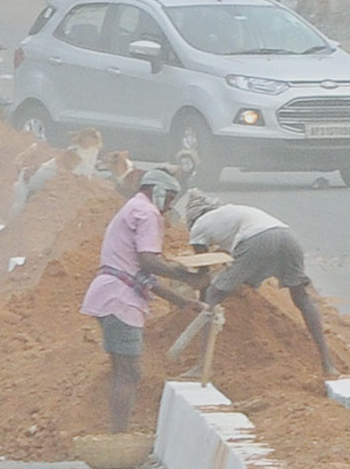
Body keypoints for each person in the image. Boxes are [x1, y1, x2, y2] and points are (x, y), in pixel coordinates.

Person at [80, 170, 207, 433]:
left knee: (122, 370)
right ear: (155, 190)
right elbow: (148, 262)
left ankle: (119, 433)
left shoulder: (132, 207)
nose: (170, 205)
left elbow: (139, 274)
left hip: (110, 295)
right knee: (128, 373)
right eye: (170, 198)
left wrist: (182, 301)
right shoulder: (147, 213)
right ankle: (120, 437)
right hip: (120, 301)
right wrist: (185, 274)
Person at [186, 194, 338, 377]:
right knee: (302, 298)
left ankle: (202, 366)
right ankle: (328, 365)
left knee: (213, 294)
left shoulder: (198, 227)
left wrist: (204, 302)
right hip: (288, 236)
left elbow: (203, 269)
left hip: (257, 241)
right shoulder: (230, 213)